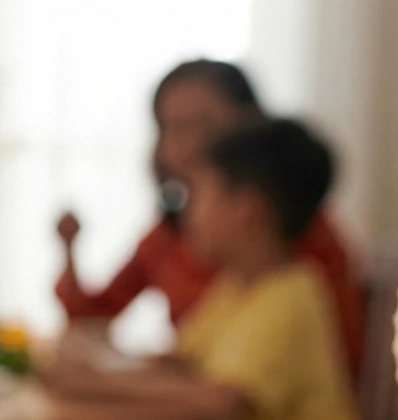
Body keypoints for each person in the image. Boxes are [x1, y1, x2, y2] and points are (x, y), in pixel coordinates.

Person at [46, 119, 358, 420]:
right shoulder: (237, 286)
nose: (187, 212)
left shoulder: (290, 296)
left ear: (244, 210)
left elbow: (221, 402)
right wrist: (98, 360)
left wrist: (97, 381)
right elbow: (181, 363)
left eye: (197, 194)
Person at [55, 60, 363, 378]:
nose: (189, 147)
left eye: (203, 125)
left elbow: (337, 363)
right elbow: (190, 363)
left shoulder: (291, 265)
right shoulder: (201, 262)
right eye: (173, 129)